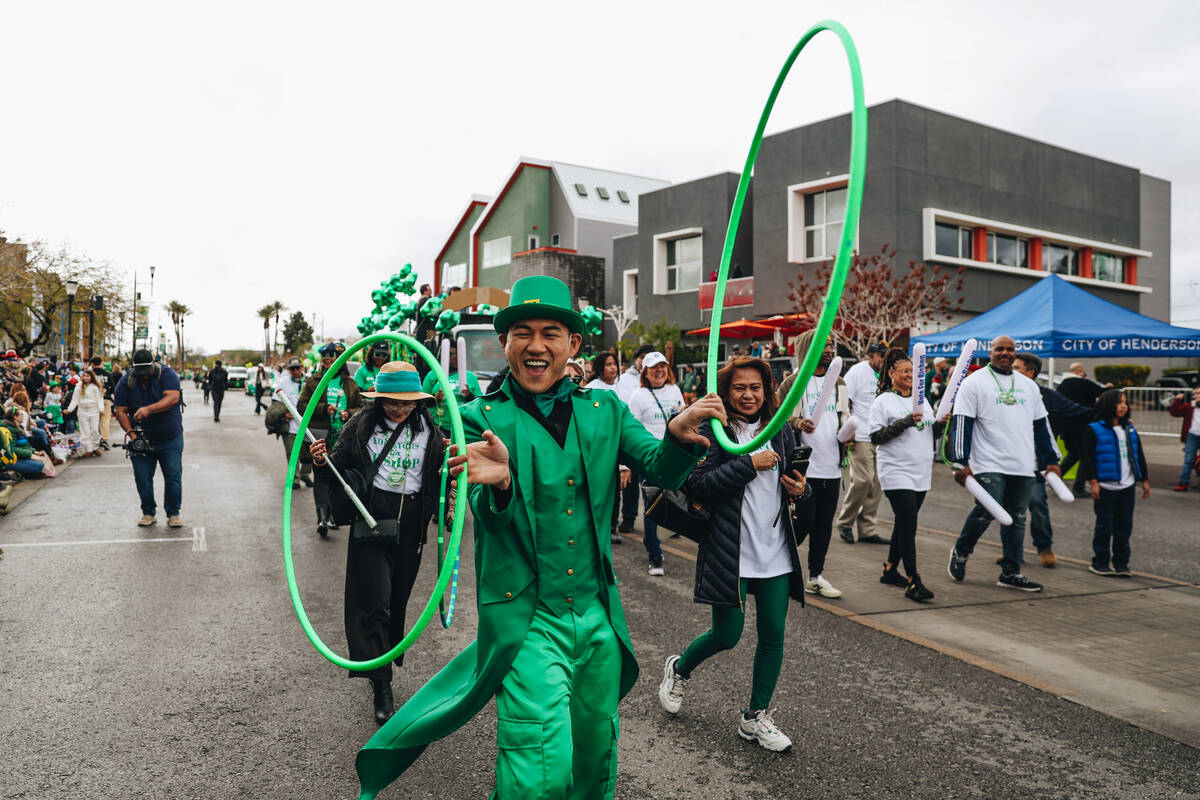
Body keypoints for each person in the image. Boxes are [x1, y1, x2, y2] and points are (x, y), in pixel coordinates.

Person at [353, 275, 723, 800]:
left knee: (595, 760)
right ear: (505, 343)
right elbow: (481, 510)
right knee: (537, 772)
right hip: (527, 620)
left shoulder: (606, 410)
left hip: (597, 618)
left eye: (551, 332)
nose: (535, 345)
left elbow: (657, 466)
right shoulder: (480, 417)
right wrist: (501, 483)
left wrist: (680, 437)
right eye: (521, 332)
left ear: (573, 346)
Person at [659, 356, 809, 752]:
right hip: (732, 548)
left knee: (773, 635)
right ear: (726, 392)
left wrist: (799, 490)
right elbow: (698, 485)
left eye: (756, 387)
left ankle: (755, 716)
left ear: (768, 391)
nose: (748, 395)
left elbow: (793, 484)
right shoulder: (713, 430)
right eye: (740, 388)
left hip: (775, 548)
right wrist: (748, 464)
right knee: (727, 635)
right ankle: (680, 668)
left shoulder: (781, 431)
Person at [308, 361, 446, 726]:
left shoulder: (430, 430)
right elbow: (336, 468)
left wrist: (450, 488)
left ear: (418, 401)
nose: (399, 409)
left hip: (413, 522)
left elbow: (439, 476)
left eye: (407, 403)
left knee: (397, 599)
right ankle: (381, 685)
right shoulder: (361, 425)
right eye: (391, 402)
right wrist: (320, 462)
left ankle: (382, 663)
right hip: (373, 519)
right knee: (375, 602)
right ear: (378, 398)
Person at [945, 336, 1061, 592]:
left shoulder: (1028, 386)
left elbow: (1042, 425)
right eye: (1000, 349)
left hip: (1023, 464)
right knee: (987, 510)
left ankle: (1011, 572)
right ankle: (961, 551)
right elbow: (962, 422)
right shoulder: (974, 383)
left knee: (1017, 518)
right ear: (991, 352)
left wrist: (1051, 460)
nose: (1005, 353)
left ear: (1015, 353)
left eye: (1010, 349)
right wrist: (959, 461)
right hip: (988, 463)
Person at [776, 329, 846, 599]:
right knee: (804, 521)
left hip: (832, 465)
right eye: (824, 346)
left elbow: (843, 414)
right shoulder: (794, 382)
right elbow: (779, 418)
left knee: (824, 526)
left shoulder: (838, 382)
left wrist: (847, 434)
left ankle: (815, 576)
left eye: (831, 346)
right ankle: (779, 565)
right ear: (808, 348)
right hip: (804, 469)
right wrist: (796, 422)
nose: (829, 351)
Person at [868, 348, 939, 602]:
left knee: (904, 521)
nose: (910, 375)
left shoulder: (921, 400)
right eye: (905, 371)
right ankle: (913, 581)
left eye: (914, 371)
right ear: (891, 373)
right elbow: (876, 437)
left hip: (921, 470)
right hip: (896, 470)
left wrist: (941, 423)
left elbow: (930, 432)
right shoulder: (883, 401)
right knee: (909, 523)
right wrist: (906, 421)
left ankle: (889, 570)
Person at [1013, 353, 1090, 566]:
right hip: (1008, 462)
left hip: (1036, 464)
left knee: (1038, 504)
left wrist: (1112, 413)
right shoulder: (1004, 394)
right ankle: (1013, 552)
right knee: (1012, 510)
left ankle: (1044, 547)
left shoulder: (1048, 396)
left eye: (1017, 367)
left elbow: (1080, 412)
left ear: (1031, 373)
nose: (1011, 370)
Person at [1079, 389, 1150, 577]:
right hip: (1106, 486)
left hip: (1127, 486)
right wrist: (1093, 482)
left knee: (1124, 525)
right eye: (1119, 402)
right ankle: (1100, 562)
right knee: (1105, 525)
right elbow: (1088, 459)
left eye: (1125, 402)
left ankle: (1121, 563)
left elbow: (1138, 455)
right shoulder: (1093, 429)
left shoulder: (1130, 428)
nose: (1124, 406)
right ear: (1108, 405)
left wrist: (1144, 480)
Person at [627, 351, 685, 576]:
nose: (659, 371)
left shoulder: (675, 390)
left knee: (675, 503)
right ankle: (655, 554)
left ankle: (663, 534)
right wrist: (627, 467)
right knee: (653, 507)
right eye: (654, 368)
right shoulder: (638, 396)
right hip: (650, 459)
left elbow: (682, 417)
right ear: (645, 373)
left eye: (663, 366)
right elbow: (632, 432)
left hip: (675, 458)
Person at [112, 349, 185, 528]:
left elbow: (173, 398)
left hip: (169, 437)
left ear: (153, 364)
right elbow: (120, 410)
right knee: (142, 477)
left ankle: (173, 513)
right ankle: (148, 512)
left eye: (147, 372)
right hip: (141, 438)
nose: (144, 376)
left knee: (173, 476)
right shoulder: (126, 380)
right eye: (140, 373)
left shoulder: (167, 374)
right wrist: (131, 433)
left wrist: (148, 409)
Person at [298, 342, 362, 535]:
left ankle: (334, 515)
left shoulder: (350, 383)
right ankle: (322, 517)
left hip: (343, 438)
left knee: (338, 476)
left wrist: (348, 413)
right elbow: (301, 406)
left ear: (340, 359)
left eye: (332, 355)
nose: (327, 358)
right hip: (321, 437)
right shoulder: (313, 382)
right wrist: (324, 409)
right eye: (325, 355)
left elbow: (361, 408)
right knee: (321, 475)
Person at [837, 342, 888, 545]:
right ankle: (845, 522)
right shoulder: (857, 372)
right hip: (861, 435)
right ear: (871, 356)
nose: (884, 361)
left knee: (876, 485)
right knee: (863, 481)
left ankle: (867, 529)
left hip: (882, 436)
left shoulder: (887, 374)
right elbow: (844, 403)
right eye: (881, 357)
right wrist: (848, 429)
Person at [586, 351, 631, 545]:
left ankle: (612, 527)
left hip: (616, 449)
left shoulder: (624, 389)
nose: (613, 368)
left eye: (615, 364)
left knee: (615, 491)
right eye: (608, 364)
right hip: (596, 450)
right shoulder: (591, 389)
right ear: (599, 368)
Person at [616, 343, 656, 533]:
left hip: (652, 439)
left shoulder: (659, 380)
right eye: (643, 357)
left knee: (654, 487)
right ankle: (629, 517)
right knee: (630, 482)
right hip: (632, 433)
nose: (645, 360)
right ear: (637, 359)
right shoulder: (624, 379)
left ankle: (665, 519)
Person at [420, 340, 482, 434]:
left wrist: (469, 395)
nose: (455, 357)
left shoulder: (470, 377)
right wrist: (435, 398)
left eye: (457, 354)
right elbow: (421, 402)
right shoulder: (433, 375)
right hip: (437, 427)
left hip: (463, 427)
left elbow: (479, 404)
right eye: (450, 354)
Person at [274, 357, 313, 489]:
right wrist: (284, 414)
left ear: (302, 368)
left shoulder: (310, 381)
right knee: (292, 454)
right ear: (289, 370)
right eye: (292, 369)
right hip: (290, 426)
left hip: (307, 426)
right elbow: (276, 403)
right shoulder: (283, 383)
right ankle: (294, 479)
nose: (295, 371)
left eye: (298, 368)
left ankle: (305, 475)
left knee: (309, 454)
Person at [66, 369, 104, 458]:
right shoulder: (79, 386)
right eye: (84, 376)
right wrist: (69, 409)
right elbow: (75, 399)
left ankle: (95, 447)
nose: (85, 378)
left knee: (94, 430)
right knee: (85, 431)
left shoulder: (95, 386)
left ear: (91, 377)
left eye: (88, 376)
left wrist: (101, 409)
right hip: (82, 411)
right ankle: (88, 449)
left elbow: (99, 399)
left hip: (93, 410)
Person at [1168, 387, 1200, 491]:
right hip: (1192, 435)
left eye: (1198, 393)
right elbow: (1174, 412)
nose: (1195, 396)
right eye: (1194, 394)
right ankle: (1183, 482)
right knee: (1189, 460)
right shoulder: (1190, 406)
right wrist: (1177, 400)